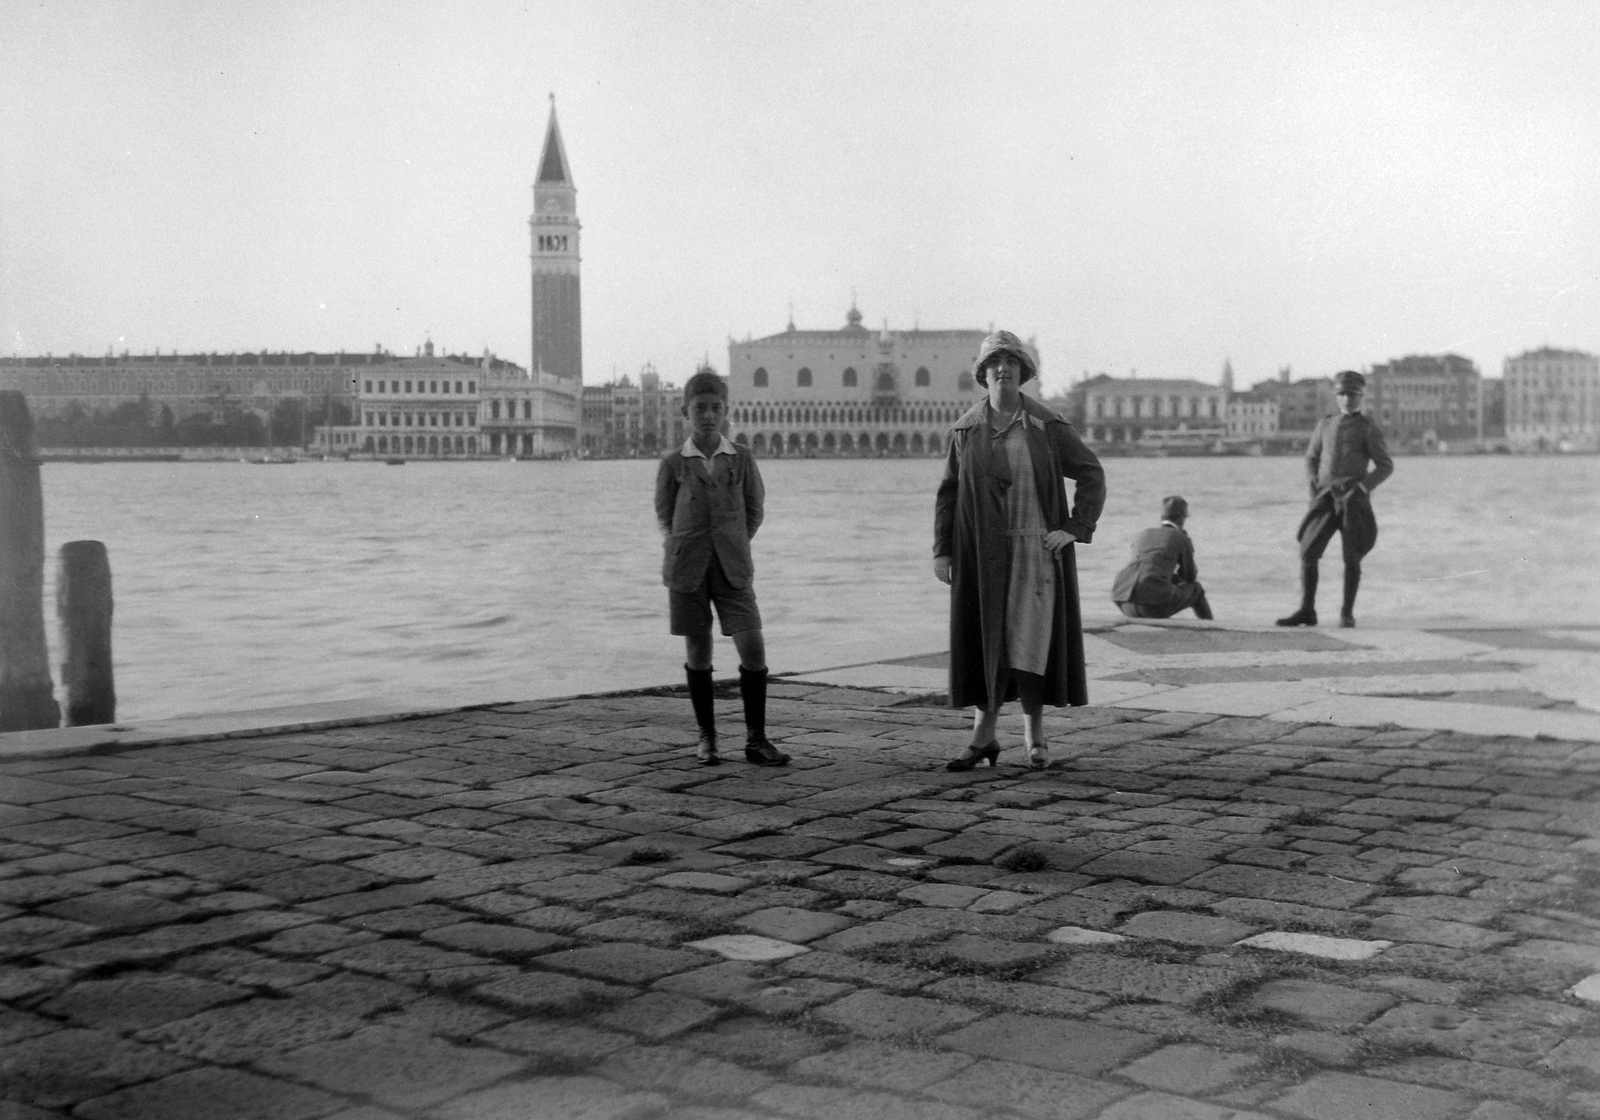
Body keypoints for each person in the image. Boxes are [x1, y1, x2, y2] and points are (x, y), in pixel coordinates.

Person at [933, 330, 1106, 771]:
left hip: (1035, 549)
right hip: (981, 555)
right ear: (983, 374)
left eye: (1011, 363)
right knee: (987, 641)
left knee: (1031, 644)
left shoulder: (1048, 426)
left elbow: (1091, 473)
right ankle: (982, 738)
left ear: (1024, 373)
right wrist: (943, 551)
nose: (1003, 370)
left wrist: (1073, 528)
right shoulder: (965, 429)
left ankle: (1034, 733)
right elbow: (949, 494)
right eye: (995, 363)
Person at [655, 369, 789, 766]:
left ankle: (756, 739)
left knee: (753, 646)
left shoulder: (742, 459)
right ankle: (707, 738)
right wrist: (688, 545)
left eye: (716, 409)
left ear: (726, 411)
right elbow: (664, 517)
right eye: (700, 409)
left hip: (733, 568)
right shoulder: (673, 463)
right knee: (698, 649)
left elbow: (754, 510)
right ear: (686, 412)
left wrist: (731, 543)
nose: (708, 416)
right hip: (686, 571)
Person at [1277, 369, 1393, 628]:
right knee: (1308, 551)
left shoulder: (1367, 428)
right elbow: (1311, 458)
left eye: (1352, 394)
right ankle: (1307, 611)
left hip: (1353, 500)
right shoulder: (1325, 424)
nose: (1346, 399)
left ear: (1361, 396)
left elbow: (1385, 466)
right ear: (1336, 396)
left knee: (1351, 557)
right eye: (1341, 394)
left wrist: (1362, 489)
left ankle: (1346, 613)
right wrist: (1313, 485)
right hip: (1325, 498)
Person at [1111, 495, 1213, 620]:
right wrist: (1185, 542)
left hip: (1125, 603)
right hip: (1152, 607)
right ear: (1182, 520)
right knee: (1196, 590)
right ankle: (1213, 629)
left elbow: (1146, 569)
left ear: (1162, 517)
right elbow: (1189, 576)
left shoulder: (1143, 535)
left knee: (1159, 579)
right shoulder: (1180, 537)